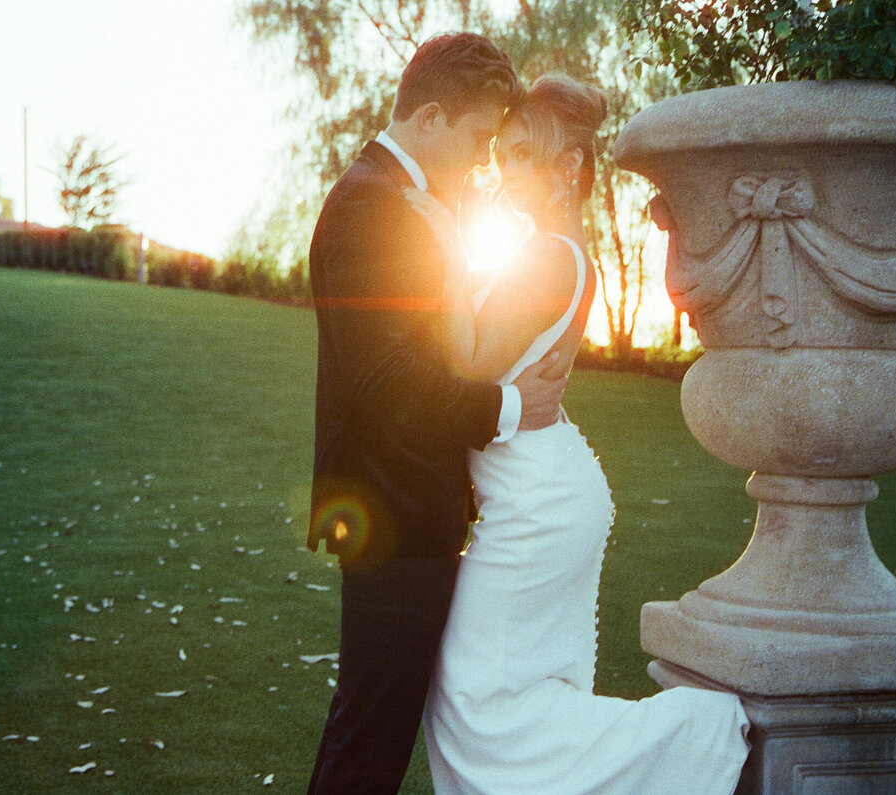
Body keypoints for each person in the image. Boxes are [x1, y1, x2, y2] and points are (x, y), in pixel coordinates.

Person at [408, 74, 752, 794]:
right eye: (504, 152)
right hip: (539, 489)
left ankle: (707, 735)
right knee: (503, 700)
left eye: (529, 154)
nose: (509, 170)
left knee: (478, 704)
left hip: (538, 502)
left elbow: (464, 364)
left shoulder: (546, 257)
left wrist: (437, 242)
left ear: (569, 166)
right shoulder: (555, 249)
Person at [304, 33, 569, 795]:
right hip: (394, 512)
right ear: (428, 117)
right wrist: (510, 404)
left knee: (374, 729)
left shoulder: (397, 200)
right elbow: (391, 382)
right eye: (480, 139)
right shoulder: (370, 206)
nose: (484, 159)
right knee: (370, 736)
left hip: (408, 508)